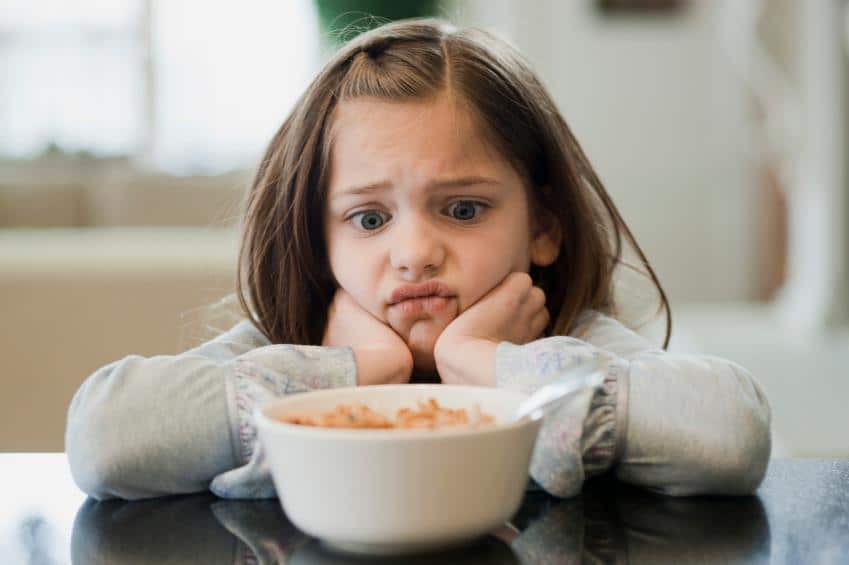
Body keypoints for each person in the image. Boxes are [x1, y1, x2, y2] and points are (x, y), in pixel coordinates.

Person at [66, 18, 771, 501]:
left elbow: (730, 433)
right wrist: (355, 375)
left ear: (544, 227)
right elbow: (105, 438)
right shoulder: (294, 348)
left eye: (462, 209)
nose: (413, 253)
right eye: (368, 218)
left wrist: (485, 359)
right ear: (321, 244)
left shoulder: (567, 345)